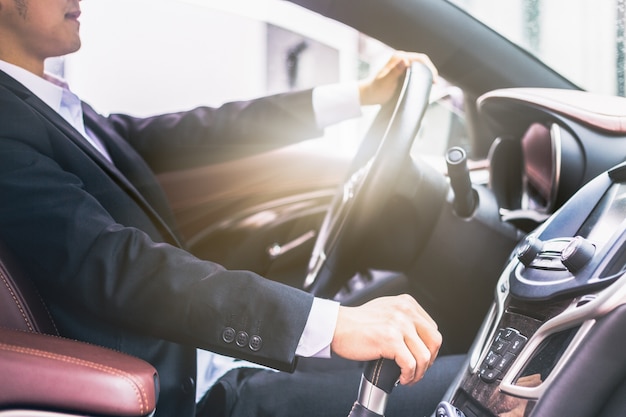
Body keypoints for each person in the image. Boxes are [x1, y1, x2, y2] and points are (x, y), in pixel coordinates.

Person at [0, 0, 465, 416]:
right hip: (191, 393)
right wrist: (329, 323)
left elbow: (184, 134)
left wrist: (357, 96)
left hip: (205, 355)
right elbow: (115, 264)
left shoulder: (43, 102)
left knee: (478, 371)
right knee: (492, 394)